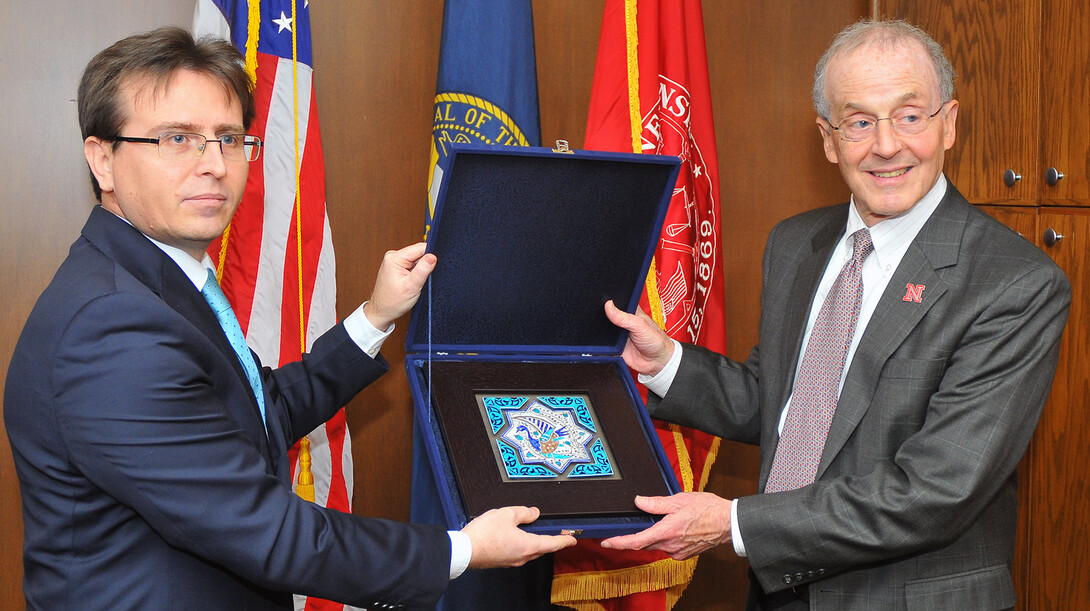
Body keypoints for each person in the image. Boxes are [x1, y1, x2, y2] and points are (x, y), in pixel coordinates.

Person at [3, 26, 574, 611]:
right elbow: (272, 535)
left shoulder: (158, 278)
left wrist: (376, 317)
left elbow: (257, 412)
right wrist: (461, 551)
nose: (215, 165)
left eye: (228, 138)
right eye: (178, 138)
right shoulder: (112, 326)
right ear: (103, 157)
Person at [597, 19, 1071, 610]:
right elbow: (788, 407)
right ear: (828, 137)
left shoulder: (1014, 283)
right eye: (860, 121)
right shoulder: (796, 243)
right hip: (776, 591)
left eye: (909, 115)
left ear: (948, 124)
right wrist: (665, 363)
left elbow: (937, 491)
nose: (887, 145)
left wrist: (738, 524)